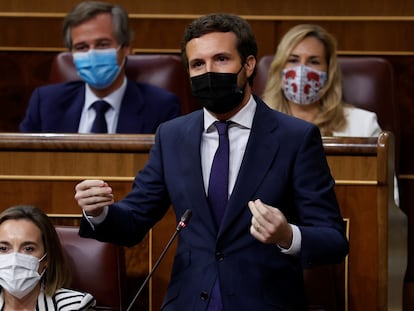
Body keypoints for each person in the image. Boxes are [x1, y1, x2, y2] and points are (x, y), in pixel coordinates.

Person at [74, 13, 349, 310]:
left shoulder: (295, 137)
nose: (208, 72)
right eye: (197, 64)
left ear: (248, 65)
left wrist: (287, 235)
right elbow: (135, 220)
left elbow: (333, 240)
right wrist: (100, 212)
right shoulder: (172, 135)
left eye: (221, 59)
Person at [19, 1, 180, 133]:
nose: (92, 54)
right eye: (81, 47)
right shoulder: (46, 103)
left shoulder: (161, 107)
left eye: (102, 44)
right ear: (72, 54)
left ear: (126, 48)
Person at [262, 23, 382, 137]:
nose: (302, 70)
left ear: (329, 71)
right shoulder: (256, 121)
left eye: (314, 62)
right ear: (279, 68)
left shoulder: (364, 126)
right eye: (293, 60)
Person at [0, 205, 95, 310]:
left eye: (28, 249)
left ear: (47, 258)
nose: (14, 259)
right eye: (3, 248)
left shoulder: (75, 306)